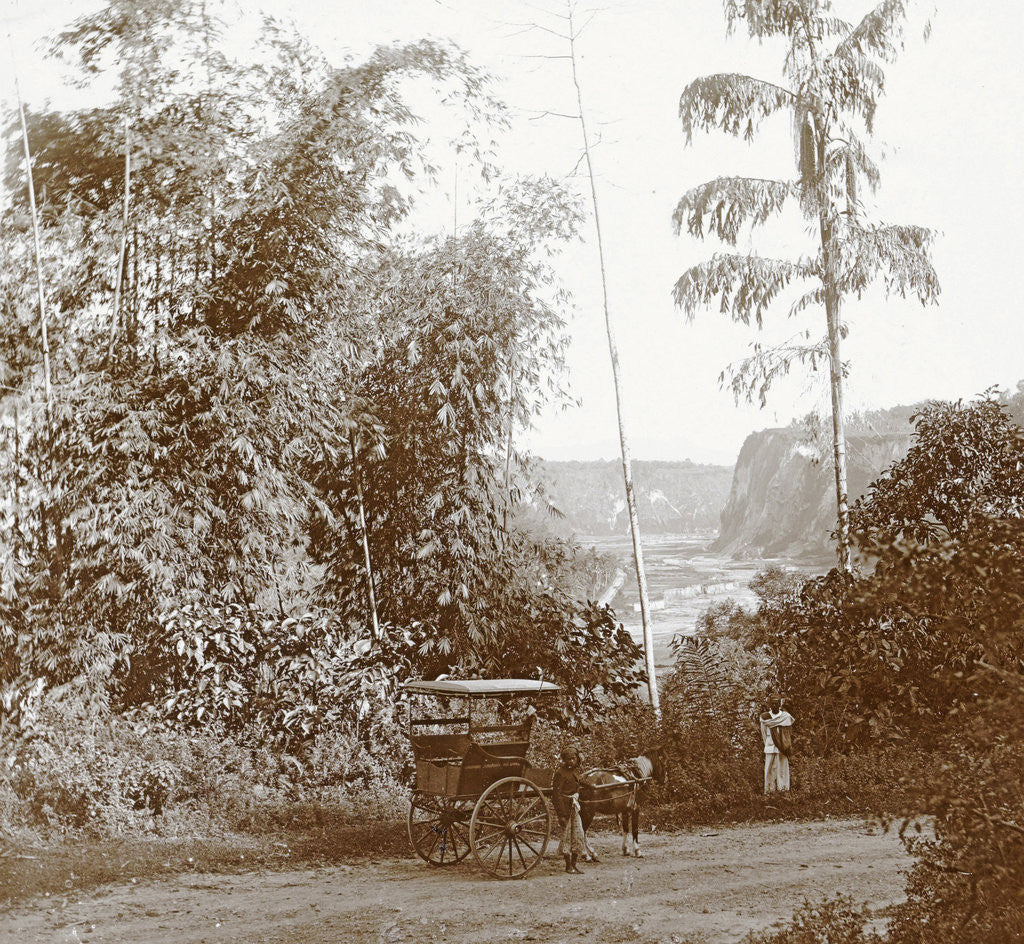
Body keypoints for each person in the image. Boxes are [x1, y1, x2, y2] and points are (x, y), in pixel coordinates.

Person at [552, 747, 588, 873]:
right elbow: (556, 796)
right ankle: (568, 866)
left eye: (573, 759)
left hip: (574, 807)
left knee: (578, 835)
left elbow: (578, 786)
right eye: (569, 759)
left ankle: (574, 864)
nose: (571, 761)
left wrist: (577, 794)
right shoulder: (560, 773)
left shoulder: (575, 771)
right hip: (565, 809)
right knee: (567, 837)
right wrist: (561, 814)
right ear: (564, 760)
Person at [759, 700, 795, 794]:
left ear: (780, 705)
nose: (774, 705)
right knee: (769, 770)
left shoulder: (785, 717)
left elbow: (788, 733)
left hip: (782, 747)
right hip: (770, 746)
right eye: (772, 703)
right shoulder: (765, 718)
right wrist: (768, 744)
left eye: (776, 703)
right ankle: (769, 791)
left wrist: (784, 744)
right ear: (769, 705)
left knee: (782, 769)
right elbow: (763, 733)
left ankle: (783, 790)